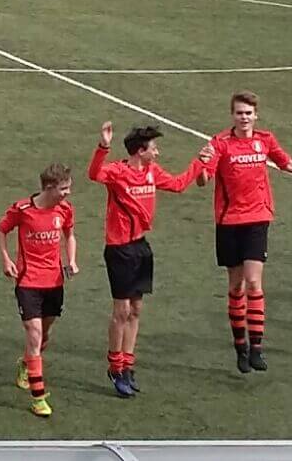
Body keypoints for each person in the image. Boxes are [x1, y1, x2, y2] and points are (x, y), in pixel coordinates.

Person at [194, 91, 292, 373]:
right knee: (236, 287)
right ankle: (240, 347)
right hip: (229, 222)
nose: (244, 117)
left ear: (256, 115)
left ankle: (256, 348)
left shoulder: (265, 140)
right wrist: (202, 165)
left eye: (248, 113)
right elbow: (204, 180)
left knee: (254, 283)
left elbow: (288, 163)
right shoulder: (219, 143)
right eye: (239, 113)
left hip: (257, 219)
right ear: (232, 115)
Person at [87, 121, 200, 397]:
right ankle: (115, 367)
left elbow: (178, 185)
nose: (157, 153)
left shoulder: (152, 171)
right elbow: (94, 174)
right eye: (154, 148)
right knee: (121, 311)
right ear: (140, 151)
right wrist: (103, 146)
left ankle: (128, 365)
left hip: (140, 247)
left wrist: (200, 164)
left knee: (136, 309)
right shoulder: (118, 172)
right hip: (119, 249)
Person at [0, 163, 78, 418]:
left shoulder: (65, 210)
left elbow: (70, 235)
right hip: (28, 282)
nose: (67, 193)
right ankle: (38, 398)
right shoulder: (23, 209)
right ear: (49, 187)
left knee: (44, 337)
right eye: (64, 189)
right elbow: (1, 230)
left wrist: (71, 260)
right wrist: (6, 260)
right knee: (34, 334)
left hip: (54, 283)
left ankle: (26, 364)